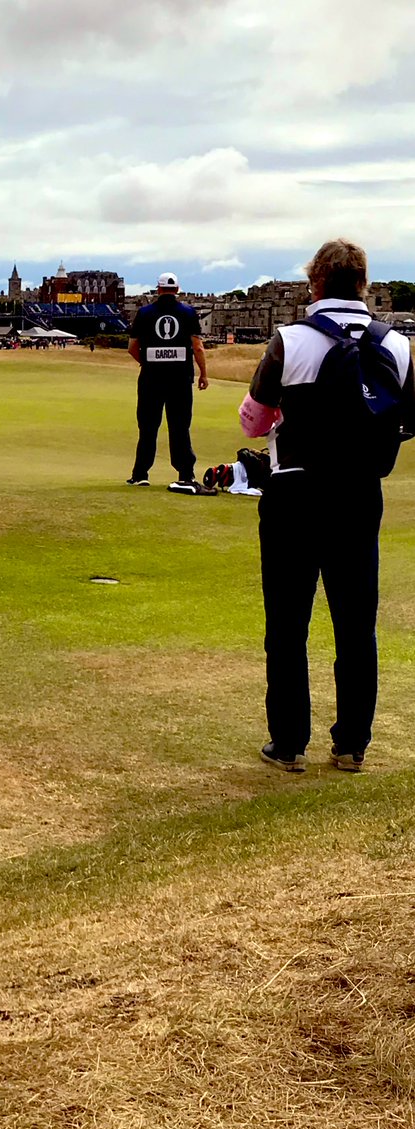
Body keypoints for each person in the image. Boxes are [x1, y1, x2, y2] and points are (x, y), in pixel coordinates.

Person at [239, 238, 414, 772]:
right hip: (360, 493)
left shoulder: (289, 341)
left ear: (314, 281)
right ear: (363, 283)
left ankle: (288, 743)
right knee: (356, 621)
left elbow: (254, 419)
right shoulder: (399, 346)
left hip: (294, 490)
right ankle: (352, 744)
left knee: (288, 622)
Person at [126, 272, 212, 493]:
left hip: (151, 378)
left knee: (147, 427)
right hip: (180, 379)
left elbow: (132, 347)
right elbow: (198, 347)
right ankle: (185, 474)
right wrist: (203, 373)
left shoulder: (145, 313)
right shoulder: (188, 313)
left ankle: (140, 475)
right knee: (180, 427)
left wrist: (146, 361)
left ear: (158, 289)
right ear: (178, 289)